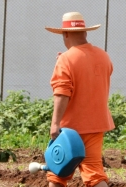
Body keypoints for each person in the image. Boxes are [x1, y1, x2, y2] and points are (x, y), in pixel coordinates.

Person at [44, 12, 115, 187]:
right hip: (96, 125)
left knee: (57, 173)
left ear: (65, 34)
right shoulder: (103, 56)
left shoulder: (66, 59)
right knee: (94, 173)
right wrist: (67, 60)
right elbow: (89, 75)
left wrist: (55, 123)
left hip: (69, 129)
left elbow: (62, 93)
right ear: (85, 32)